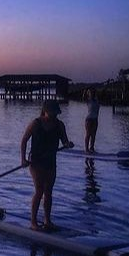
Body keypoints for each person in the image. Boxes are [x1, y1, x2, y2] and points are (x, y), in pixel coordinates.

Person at [20, 100, 74, 231]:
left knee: (48, 192)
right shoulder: (36, 123)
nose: (55, 115)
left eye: (56, 113)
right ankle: (33, 222)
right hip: (36, 162)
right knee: (39, 191)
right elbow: (24, 141)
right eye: (52, 113)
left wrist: (68, 144)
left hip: (50, 162)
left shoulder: (59, 125)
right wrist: (23, 159)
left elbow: (65, 140)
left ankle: (47, 220)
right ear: (45, 111)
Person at [83, 87, 100, 153]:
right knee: (88, 134)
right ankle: (86, 149)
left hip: (95, 119)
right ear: (89, 94)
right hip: (89, 119)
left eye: (93, 93)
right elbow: (83, 97)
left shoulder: (97, 100)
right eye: (91, 93)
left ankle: (92, 148)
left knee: (93, 135)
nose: (92, 94)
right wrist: (85, 90)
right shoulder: (88, 101)